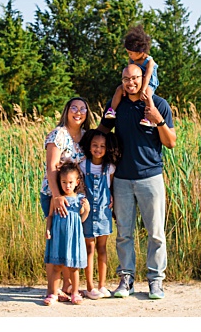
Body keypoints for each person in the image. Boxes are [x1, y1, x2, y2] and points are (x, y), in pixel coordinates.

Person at [102, 63, 176, 300]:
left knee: (155, 233)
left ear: (143, 78)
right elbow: (102, 132)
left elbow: (171, 142)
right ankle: (126, 279)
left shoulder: (159, 104)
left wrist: (158, 120)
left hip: (150, 177)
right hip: (122, 179)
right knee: (124, 233)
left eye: (134, 78)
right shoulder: (117, 105)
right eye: (125, 79)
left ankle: (155, 281)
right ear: (121, 81)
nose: (130, 82)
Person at [39, 97, 90, 301]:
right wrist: (58, 196)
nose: (78, 112)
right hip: (55, 195)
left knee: (72, 242)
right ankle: (52, 289)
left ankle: (69, 288)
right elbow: (51, 167)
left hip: (77, 198)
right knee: (56, 243)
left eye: (83, 109)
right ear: (67, 111)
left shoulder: (86, 136)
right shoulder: (58, 135)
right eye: (74, 108)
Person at [43, 161, 90, 306]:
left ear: (77, 182)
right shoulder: (55, 199)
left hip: (73, 236)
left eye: (70, 182)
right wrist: (48, 229)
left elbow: (82, 218)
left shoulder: (80, 199)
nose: (67, 185)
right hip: (58, 235)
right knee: (57, 265)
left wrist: (86, 210)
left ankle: (75, 293)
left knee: (73, 267)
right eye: (64, 182)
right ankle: (54, 293)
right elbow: (50, 216)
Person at [80, 128, 119, 300]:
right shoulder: (83, 165)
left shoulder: (110, 167)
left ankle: (102, 285)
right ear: (89, 146)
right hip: (87, 213)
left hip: (103, 212)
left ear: (107, 148)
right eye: (95, 145)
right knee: (89, 248)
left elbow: (110, 187)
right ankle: (90, 287)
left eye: (102, 146)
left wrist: (111, 198)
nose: (98, 149)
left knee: (102, 249)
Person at [104, 25, 160, 127]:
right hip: (134, 81)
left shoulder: (149, 61)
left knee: (147, 92)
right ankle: (112, 110)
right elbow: (128, 72)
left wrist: (143, 89)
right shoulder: (133, 59)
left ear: (140, 52)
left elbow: (147, 76)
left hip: (148, 82)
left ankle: (150, 116)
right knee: (119, 89)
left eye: (131, 53)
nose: (130, 56)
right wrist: (125, 86)